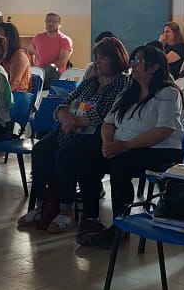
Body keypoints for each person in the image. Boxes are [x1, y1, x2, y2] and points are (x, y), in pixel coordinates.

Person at [17, 37, 131, 234]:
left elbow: (104, 114)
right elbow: (64, 104)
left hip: (97, 136)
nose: (98, 62)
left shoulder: (122, 84)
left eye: (103, 58)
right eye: (97, 57)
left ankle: (66, 209)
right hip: (70, 129)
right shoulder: (90, 82)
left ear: (116, 59)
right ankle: (43, 205)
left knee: (65, 155)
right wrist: (66, 118)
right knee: (41, 150)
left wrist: (74, 120)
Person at [77, 45, 184, 248]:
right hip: (124, 145)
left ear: (153, 68)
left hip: (159, 149)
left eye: (138, 62)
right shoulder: (129, 90)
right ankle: (90, 218)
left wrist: (125, 145)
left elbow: (163, 131)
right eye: (132, 61)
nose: (132, 66)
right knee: (89, 159)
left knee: (121, 168)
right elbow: (109, 122)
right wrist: (108, 143)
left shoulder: (168, 93)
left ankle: (121, 226)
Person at [0, 21, 31, 92]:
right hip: (6, 92)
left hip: (18, 95)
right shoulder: (3, 54)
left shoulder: (19, 55)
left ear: (9, 37)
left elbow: (14, 82)